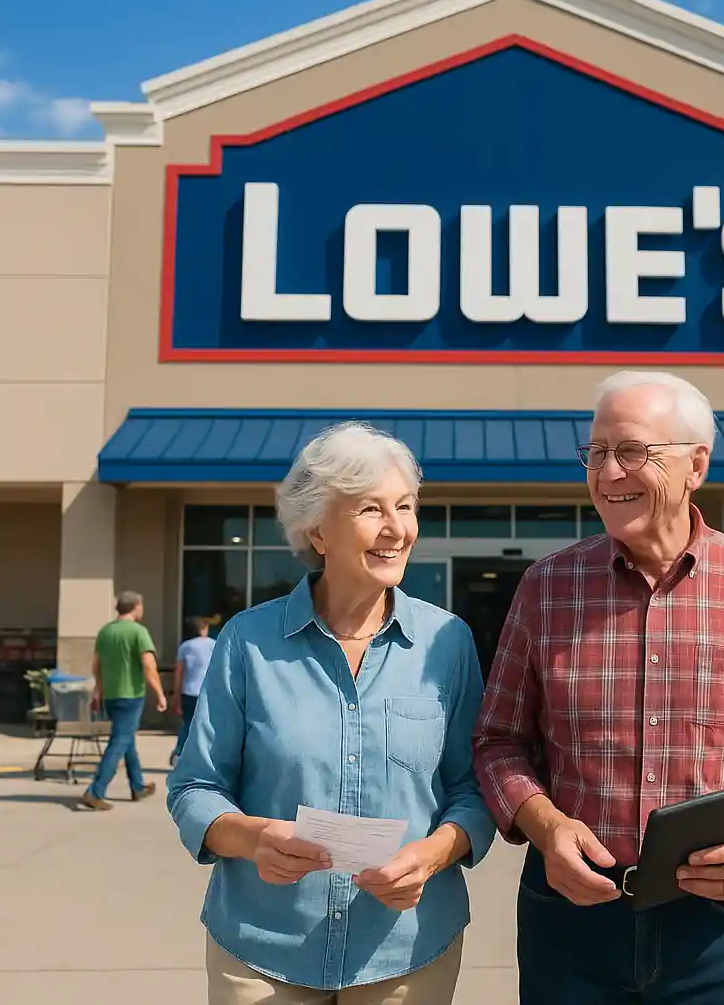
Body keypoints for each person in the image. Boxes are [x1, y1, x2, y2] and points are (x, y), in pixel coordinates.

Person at [473, 370, 724, 1005]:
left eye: (632, 451)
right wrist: (547, 828)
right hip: (571, 919)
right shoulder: (546, 587)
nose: (607, 473)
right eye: (596, 452)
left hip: (721, 929)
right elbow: (498, 742)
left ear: (695, 465)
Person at [166, 422, 495, 1005]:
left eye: (405, 506)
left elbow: (473, 789)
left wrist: (430, 856)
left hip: (405, 952)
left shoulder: (448, 642)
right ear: (317, 531)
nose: (397, 528)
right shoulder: (247, 641)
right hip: (263, 948)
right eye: (371, 509)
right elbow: (196, 787)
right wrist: (252, 837)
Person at [81, 591, 167, 811]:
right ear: (136, 607)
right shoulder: (138, 631)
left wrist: (98, 689)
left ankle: (138, 786)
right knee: (119, 742)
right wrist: (159, 693)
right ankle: (95, 791)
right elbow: (148, 665)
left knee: (126, 739)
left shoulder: (106, 631)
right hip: (131, 696)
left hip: (111, 695)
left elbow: (96, 664)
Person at [169, 616, 216, 768]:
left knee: (188, 723)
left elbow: (179, 673)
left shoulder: (185, 647)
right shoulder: (214, 645)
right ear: (203, 628)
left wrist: (176, 695)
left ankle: (179, 752)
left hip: (189, 691)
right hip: (208, 691)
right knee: (208, 725)